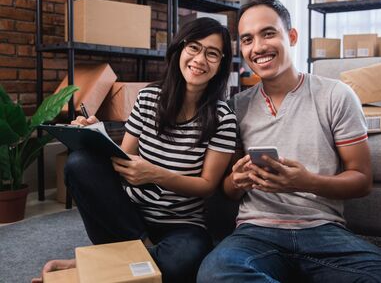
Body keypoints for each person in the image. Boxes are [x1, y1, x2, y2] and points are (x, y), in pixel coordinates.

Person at [197, 0, 381, 283]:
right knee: (215, 273)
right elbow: (228, 191)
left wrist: (305, 181)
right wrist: (237, 180)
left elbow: (362, 180)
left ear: (291, 37)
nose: (259, 47)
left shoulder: (335, 95)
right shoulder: (236, 107)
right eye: (248, 39)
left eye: (268, 33)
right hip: (255, 233)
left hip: (324, 232)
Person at [32, 18, 237, 283]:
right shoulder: (148, 97)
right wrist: (98, 135)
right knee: (80, 162)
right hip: (128, 217)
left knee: (184, 260)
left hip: (182, 225)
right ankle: (142, 252)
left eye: (212, 53)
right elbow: (123, 159)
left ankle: (93, 266)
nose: (200, 59)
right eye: (194, 48)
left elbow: (207, 185)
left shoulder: (223, 117)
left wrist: (156, 174)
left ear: (221, 64)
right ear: (180, 49)